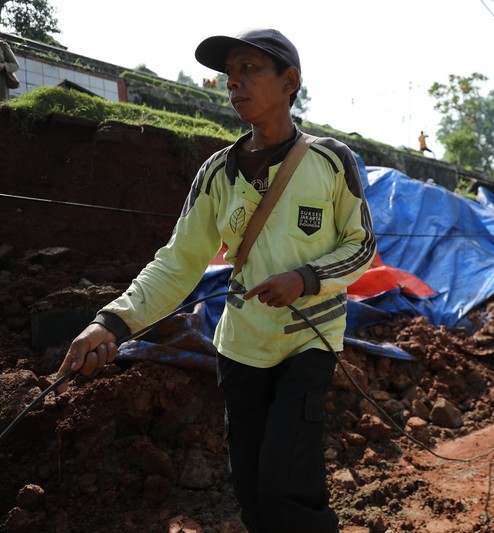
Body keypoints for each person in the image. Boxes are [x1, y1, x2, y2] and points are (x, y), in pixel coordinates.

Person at [56, 28, 376, 533]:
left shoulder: (330, 161)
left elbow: (361, 246)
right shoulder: (215, 173)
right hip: (241, 347)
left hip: (308, 344)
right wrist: (112, 323)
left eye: (250, 69)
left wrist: (305, 278)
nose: (234, 83)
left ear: (290, 80)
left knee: (285, 485)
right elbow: (178, 262)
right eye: (230, 74)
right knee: (249, 490)